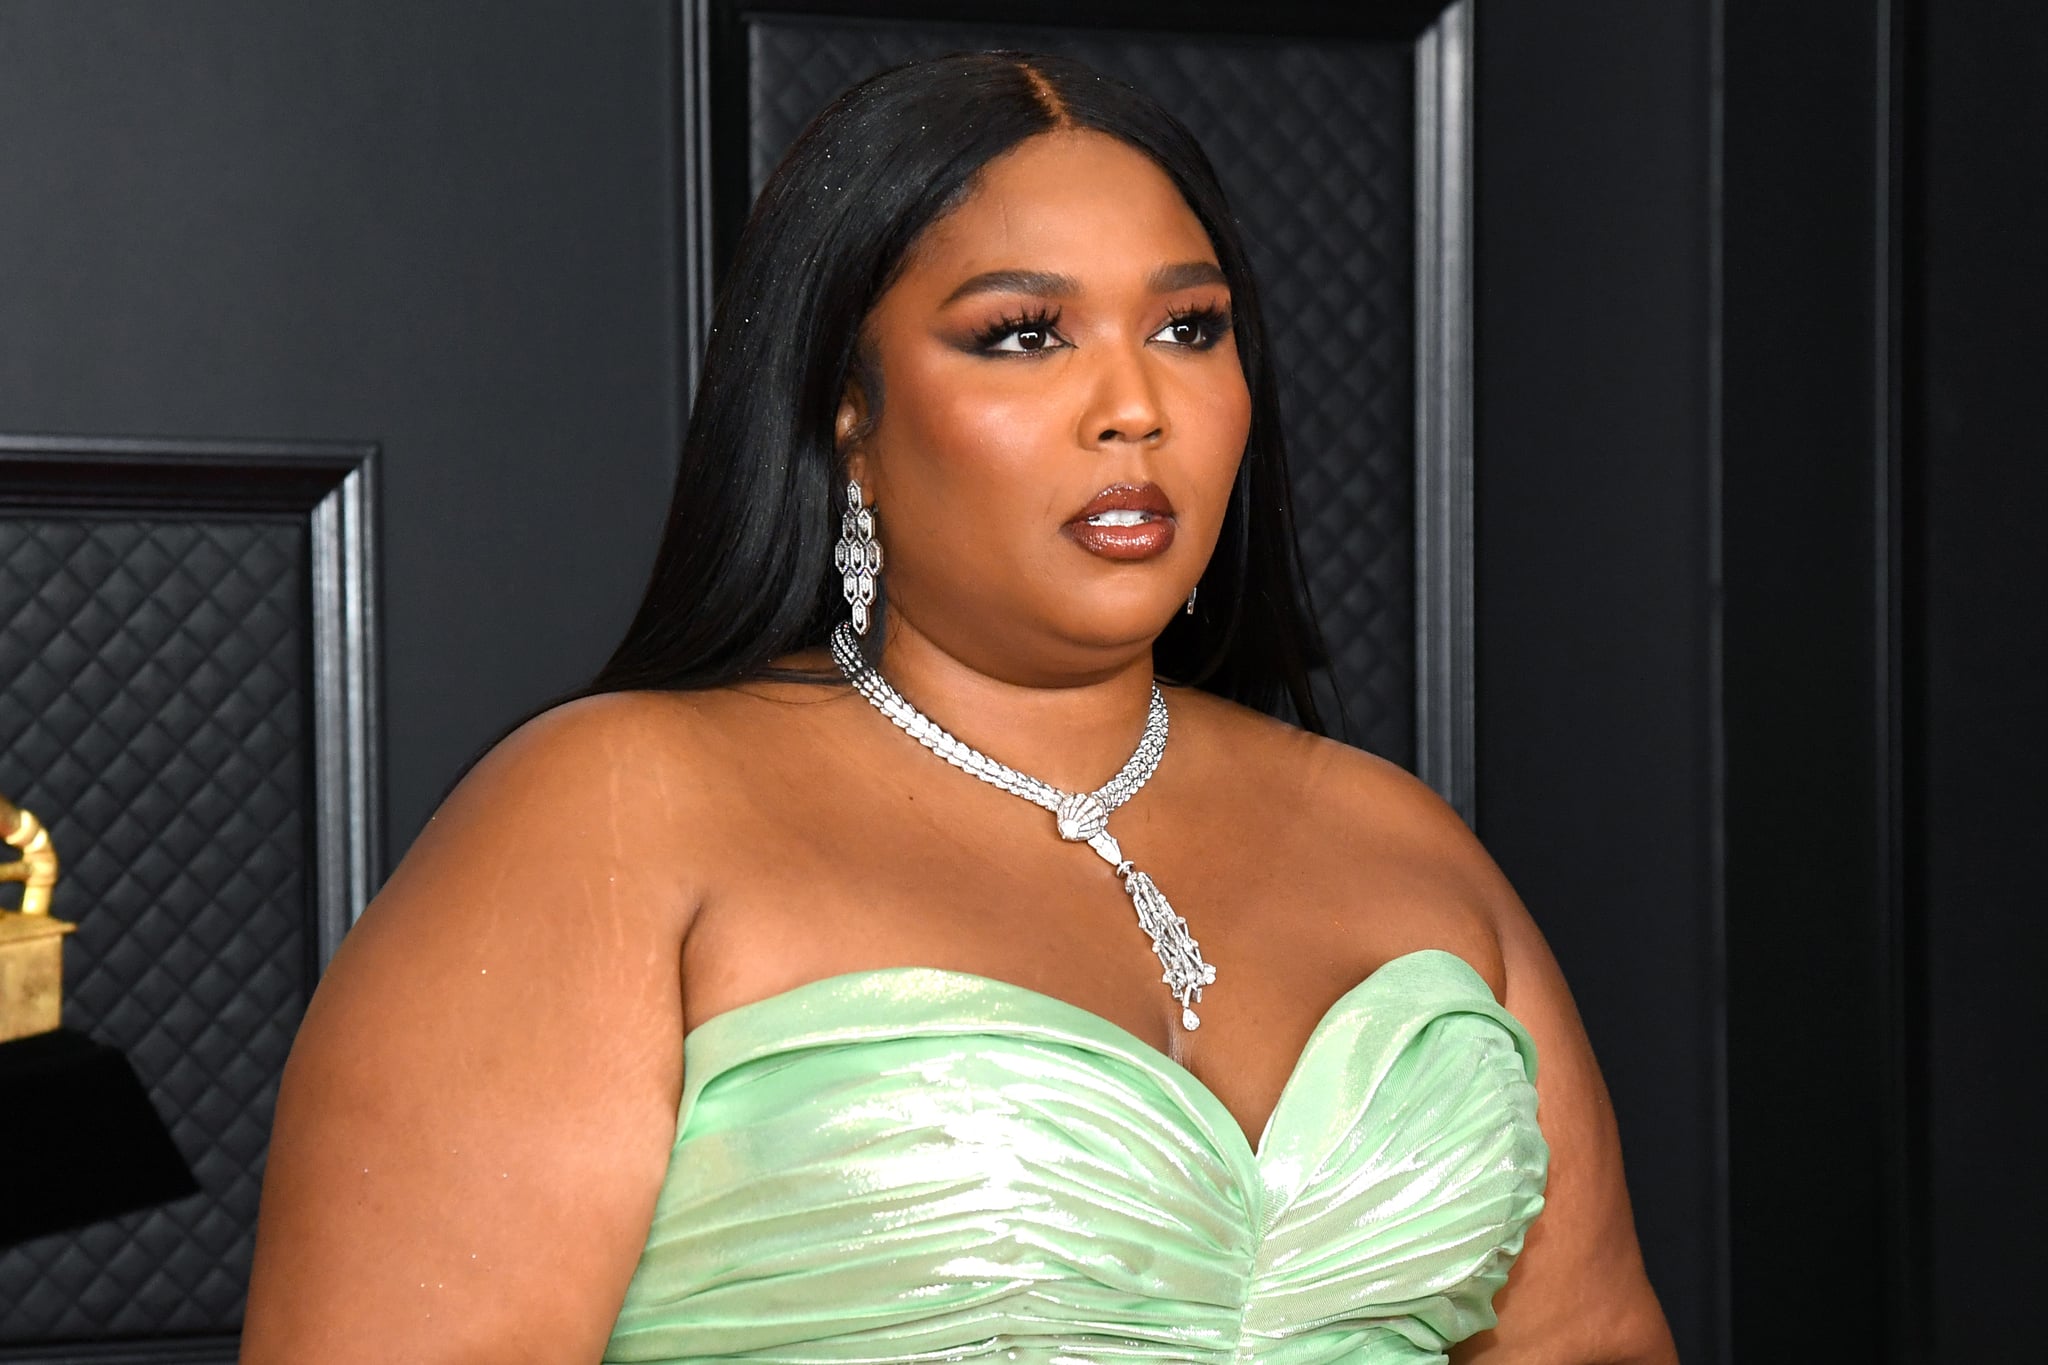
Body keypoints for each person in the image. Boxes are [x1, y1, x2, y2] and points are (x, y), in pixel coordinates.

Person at [241, 51, 1678, 1365]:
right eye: (1021, 336)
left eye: (1189, 327)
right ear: (844, 415)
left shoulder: (1400, 840)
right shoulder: (610, 812)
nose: (1134, 407)